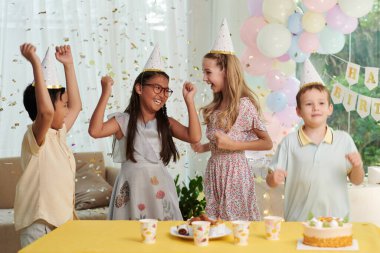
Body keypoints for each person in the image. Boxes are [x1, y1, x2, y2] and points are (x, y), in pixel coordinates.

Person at [88, 46, 201, 220]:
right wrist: (106, 93)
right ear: (139, 89)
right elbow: (95, 131)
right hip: (131, 188)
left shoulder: (166, 123)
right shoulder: (123, 121)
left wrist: (189, 101)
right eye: (157, 88)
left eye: (166, 90)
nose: (162, 94)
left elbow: (194, 136)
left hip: (159, 188)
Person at [191, 19, 273, 221]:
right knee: (216, 224)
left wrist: (233, 144)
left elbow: (266, 142)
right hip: (215, 171)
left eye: (208, 72)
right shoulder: (216, 107)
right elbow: (221, 142)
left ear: (226, 71)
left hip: (235, 174)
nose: (204, 78)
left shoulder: (244, 105)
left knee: (235, 226)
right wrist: (204, 147)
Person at [14, 43, 82, 247]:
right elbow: (46, 113)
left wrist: (68, 65)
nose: (67, 108)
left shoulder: (58, 133)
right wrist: (35, 63)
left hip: (62, 222)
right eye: (63, 104)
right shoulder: (35, 137)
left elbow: (77, 106)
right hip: (39, 224)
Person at [266, 82, 364, 221]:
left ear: (330, 109)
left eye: (321, 103)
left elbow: (357, 181)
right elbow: (270, 181)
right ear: (298, 111)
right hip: (298, 221)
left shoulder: (344, 140)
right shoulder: (289, 142)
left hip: (336, 223)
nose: (316, 108)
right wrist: (273, 178)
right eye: (308, 104)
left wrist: (358, 166)